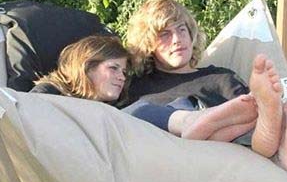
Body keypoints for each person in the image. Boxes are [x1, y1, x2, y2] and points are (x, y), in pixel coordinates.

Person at [126, 0, 287, 179]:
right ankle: (283, 142)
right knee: (141, 112)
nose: (177, 39)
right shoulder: (136, 86)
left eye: (181, 29)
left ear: (191, 34)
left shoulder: (220, 78)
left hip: (233, 158)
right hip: (172, 160)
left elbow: (246, 113)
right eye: (165, 34)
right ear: (148, 44)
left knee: (251, 119)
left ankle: (281, 138)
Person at [31, 35, 260, 142]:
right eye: (113, 68)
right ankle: (195, 121)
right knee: (139, 110)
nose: (121, 77)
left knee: (170, 106)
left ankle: (210, 125)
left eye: (123, 72)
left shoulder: (115, 102)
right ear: (87, 66)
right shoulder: (49, 92)